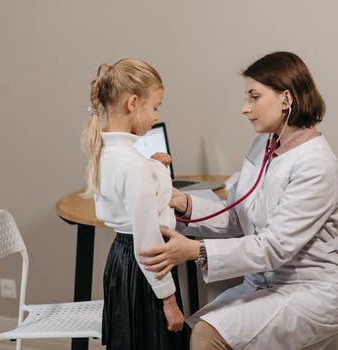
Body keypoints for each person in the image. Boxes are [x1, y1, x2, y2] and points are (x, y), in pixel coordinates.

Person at [138, 51, 338, 349]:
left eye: (254, 97)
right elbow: (238, 216)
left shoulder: (316, 164)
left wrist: (195, 250)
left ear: (287, 98)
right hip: (267, 282)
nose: (245, 108)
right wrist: (182, 202)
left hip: (314, 290)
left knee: (206, 337)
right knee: (180, 334)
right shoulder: (266, 143)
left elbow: (273, 246)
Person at [81, 58, 189, 350]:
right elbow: (148, 240)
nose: (156, 116)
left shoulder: (106, 154)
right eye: (155, 107)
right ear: (132, 103)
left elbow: (129, 202)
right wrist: (169, 300)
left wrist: (154, 169)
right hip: (146, 267)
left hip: (121, 261)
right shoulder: (135, 166)